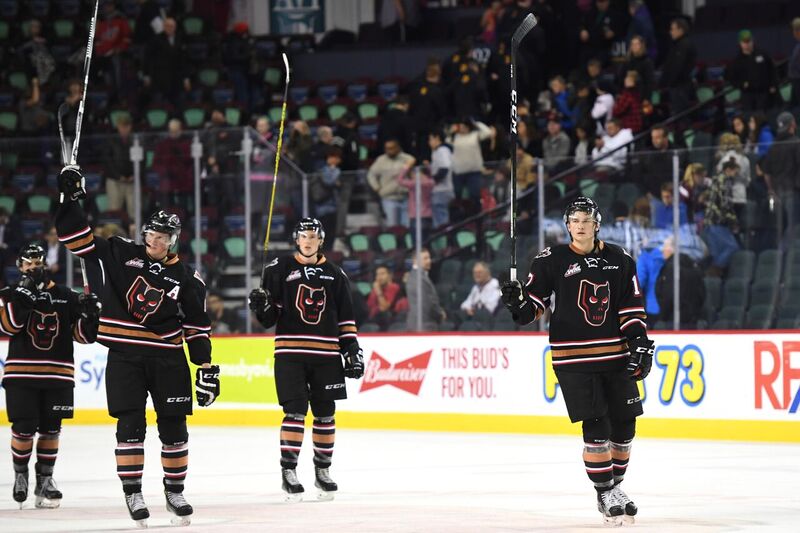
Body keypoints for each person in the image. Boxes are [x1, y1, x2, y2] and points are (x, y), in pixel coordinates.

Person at [55, 166, 220, 527]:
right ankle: (133, 492)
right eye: (151, 234)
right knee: (130, 424)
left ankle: (174, 491)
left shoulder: (188, 278)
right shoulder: (119, 252)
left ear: (174, 240)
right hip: (125, 356)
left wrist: (205, 367)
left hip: (168, 358)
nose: (154, 241)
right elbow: (74, 238)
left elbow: (196, 326)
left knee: (174, 426)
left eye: (162, 237)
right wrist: (70, 199)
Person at [500, 196, 654, 526]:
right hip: (573, 357)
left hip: (615, 353)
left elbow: (630, 307)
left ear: (597, 224)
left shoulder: (619, 258)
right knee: (597, 426)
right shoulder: (550, 260)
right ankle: (604, 492)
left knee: (626, 425)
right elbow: (532, 310)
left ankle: (615, 488)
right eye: (574, 221)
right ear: (567, 225)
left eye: (586, 220)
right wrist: (517, 303)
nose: (580, 226)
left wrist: (638, 340)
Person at [248, 218, 364, 502]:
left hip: (326, 355)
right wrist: (260, 306)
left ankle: (322, 471)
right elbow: (268, 320)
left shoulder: (336, 275)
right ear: (296, 239)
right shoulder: (279, 269)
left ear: (320, 240)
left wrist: (352, 350)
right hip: (290, 354)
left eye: (313, 236)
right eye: (303, 236)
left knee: (325, 414)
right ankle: (289, 472)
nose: (308, 240)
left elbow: (346, 320)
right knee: (295, 412)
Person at [1, 243, 100, 509]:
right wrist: (26, 295)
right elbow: (10, 325)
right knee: (23, 429)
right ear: (20, 267)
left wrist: (91, 316)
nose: (34, 268)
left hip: (58, 375)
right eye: (28, 265)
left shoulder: (67, 296)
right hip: (21, 374)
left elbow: (82, 336)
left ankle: (45, 480)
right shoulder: (10, 294)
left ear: (45, 265)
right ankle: (20, 476)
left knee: (51, 430)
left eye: (38, 264)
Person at [655, 237, 705, 329]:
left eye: (664, 246)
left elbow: (668, 295)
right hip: (693, 319)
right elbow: (702, 293)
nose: (662, 249)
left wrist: (662, 317)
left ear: (672, 249)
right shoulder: (694, 267)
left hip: (673, 320)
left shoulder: (671, 268)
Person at [725, 30, 777, 112]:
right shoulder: (737, 61)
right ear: (740, 43)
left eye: (749, 41)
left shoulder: (762, 54)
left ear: (753, 40)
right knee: (749, 118)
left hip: (763, 92)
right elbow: (731, 78)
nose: (747, 44)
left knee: (764, 117)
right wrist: (741, 84)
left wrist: (773, 84)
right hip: (748, 95)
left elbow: (772, 70)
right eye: (745, 42)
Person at [406, 248, 446, 332]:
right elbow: (428, 304)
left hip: (415, 324)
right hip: (425, 326)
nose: (429, 261)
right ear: (415, 261)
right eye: (425, 258)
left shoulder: (411, 276)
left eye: (429, 258)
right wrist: (440, 314)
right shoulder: (420, 278)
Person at [367, 264, 404, 330]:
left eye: (382, 274)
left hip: (388, 323)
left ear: (390, 276)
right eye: (377, 274)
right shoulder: (375, 289)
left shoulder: (393, 287)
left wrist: (378, 291)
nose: (379, 277)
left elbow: (384, 308)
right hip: (373, 321)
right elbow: (369, 308)